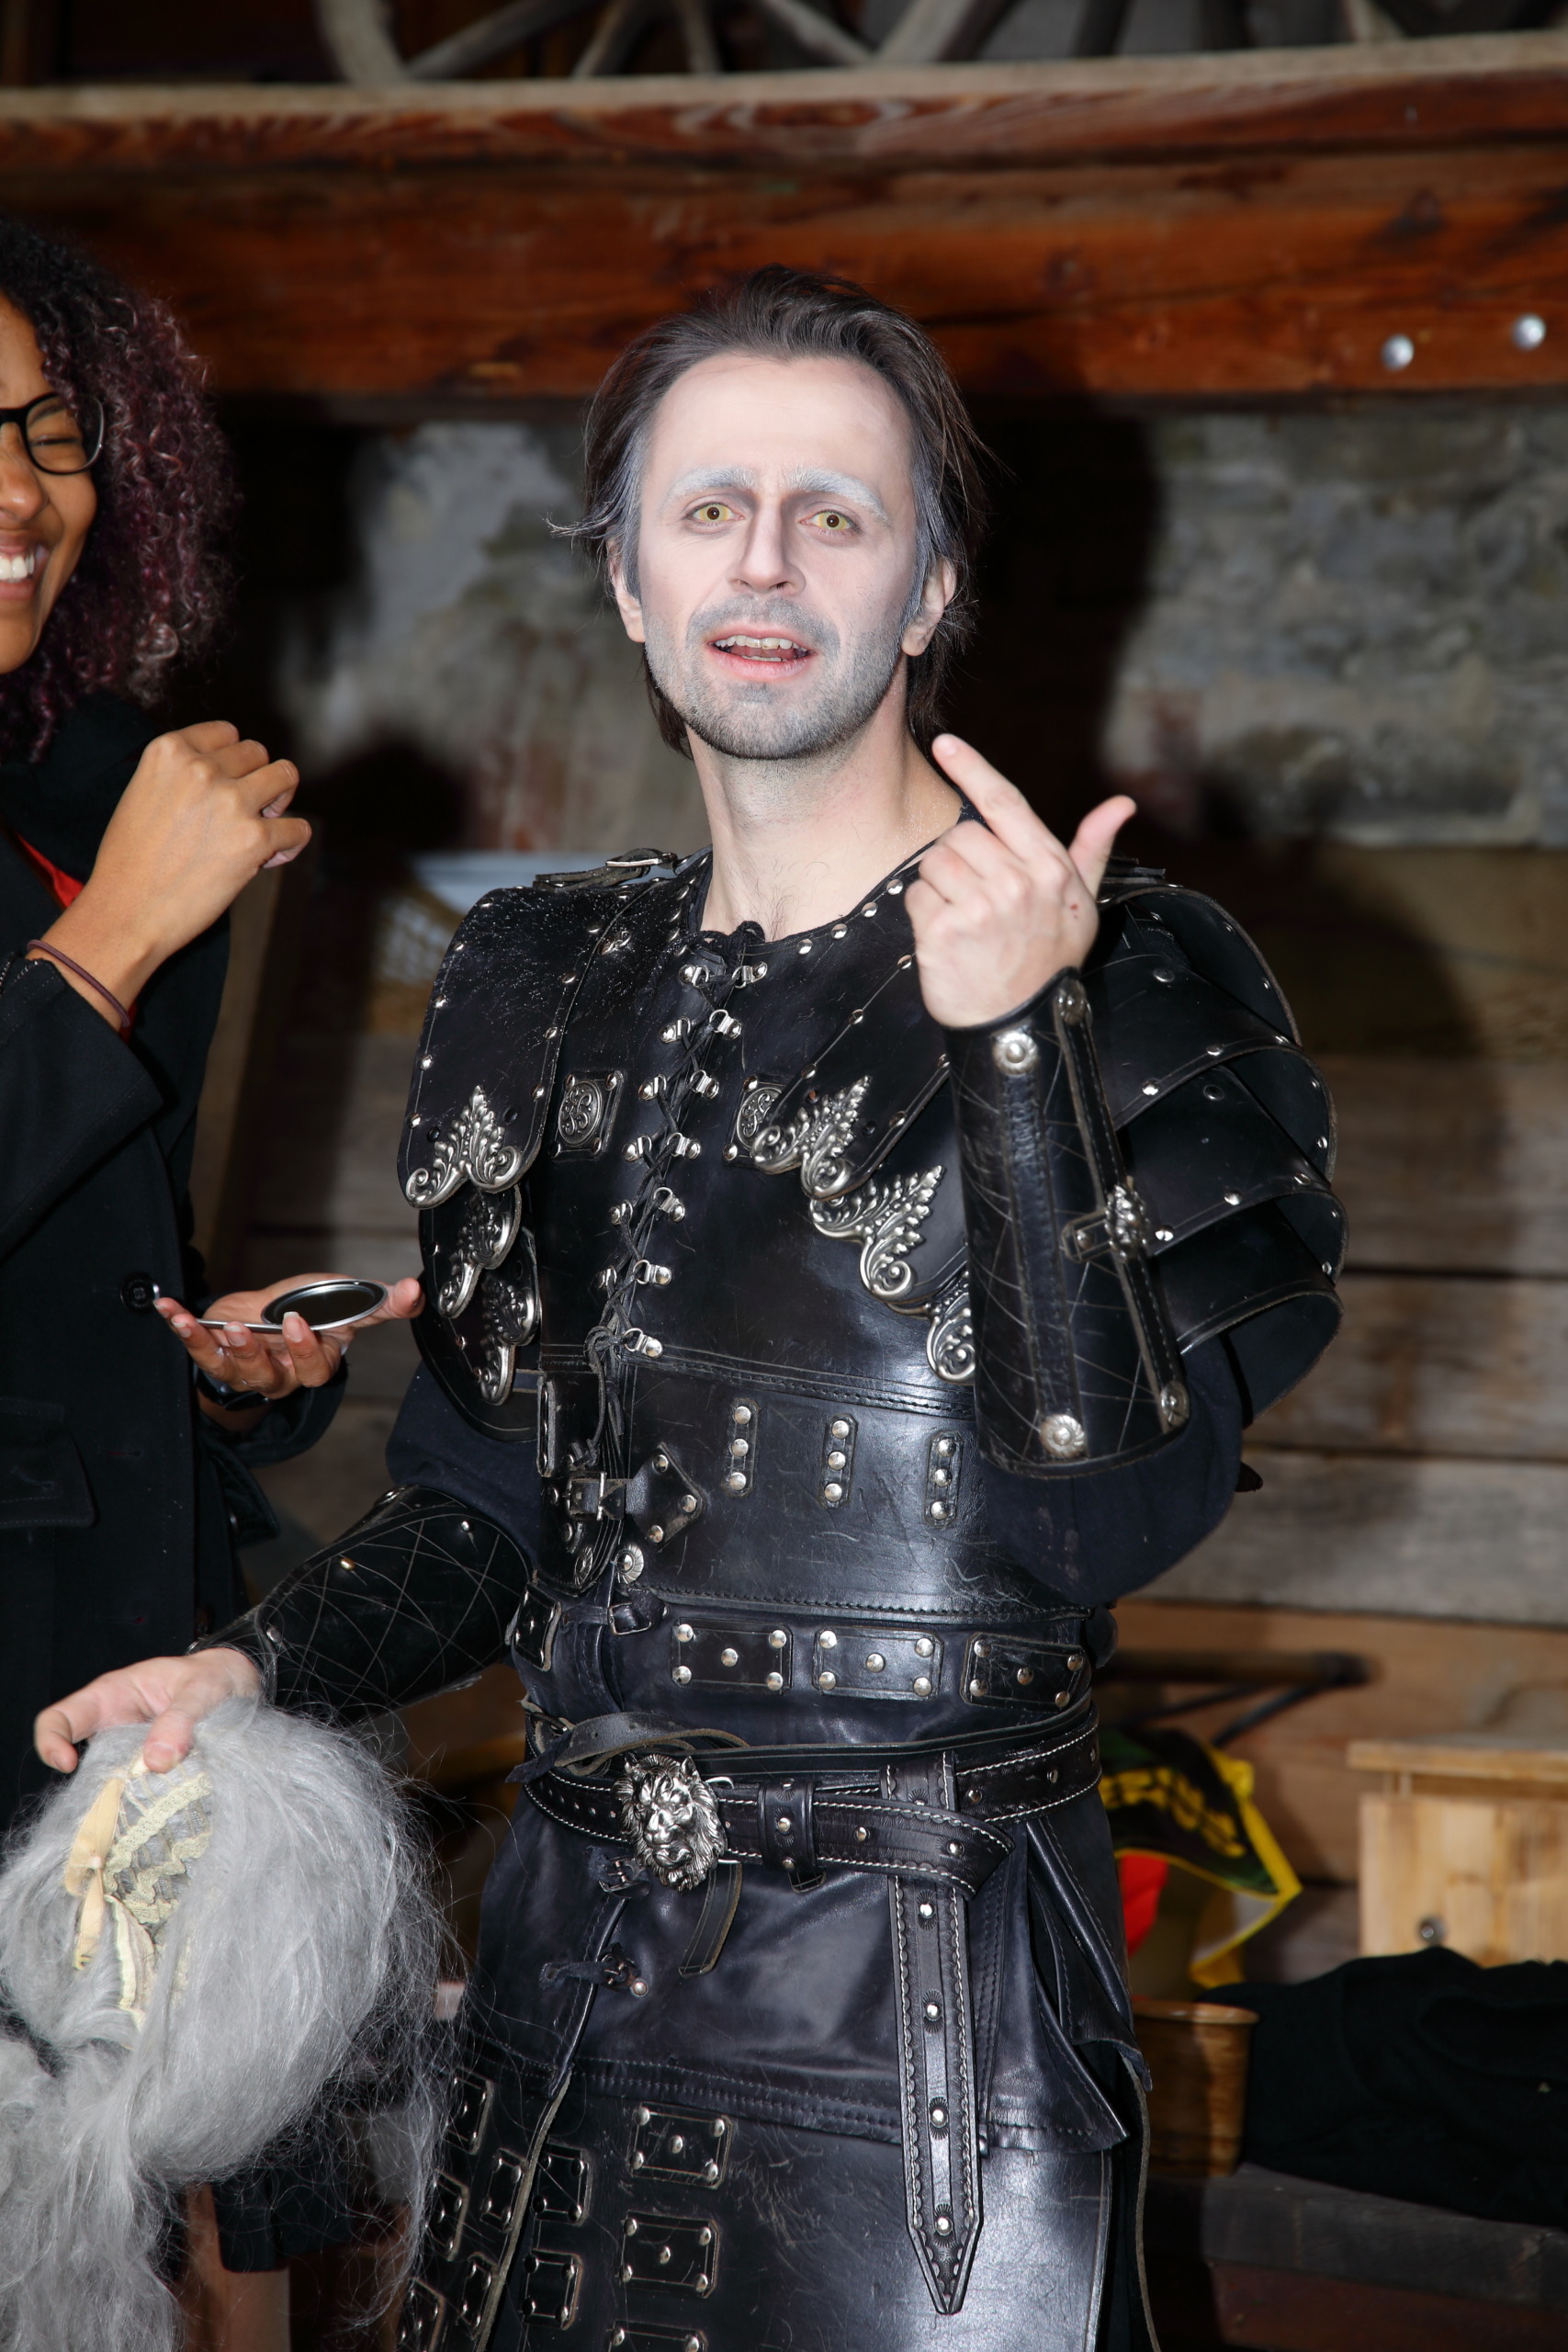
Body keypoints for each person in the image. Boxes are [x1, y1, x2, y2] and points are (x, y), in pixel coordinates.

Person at [39, 269, 1345, 2351]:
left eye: (837, 514)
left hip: (920, 2021)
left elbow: (1104, 1520)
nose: (764, 563)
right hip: (564, 1990)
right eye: (708, 509)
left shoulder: (1135, 968)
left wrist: (1013, 1047)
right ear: (627, 581)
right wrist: (252, 1663)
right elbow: (487, 1498)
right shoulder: (534, 974)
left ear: (929, 586)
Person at [0, 216, 420, 1826]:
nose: (25, 492)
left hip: (111, 1659)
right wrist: (112, 936)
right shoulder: (128, 869)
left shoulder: (90, 796)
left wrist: (208, 1367)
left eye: (49, 431)